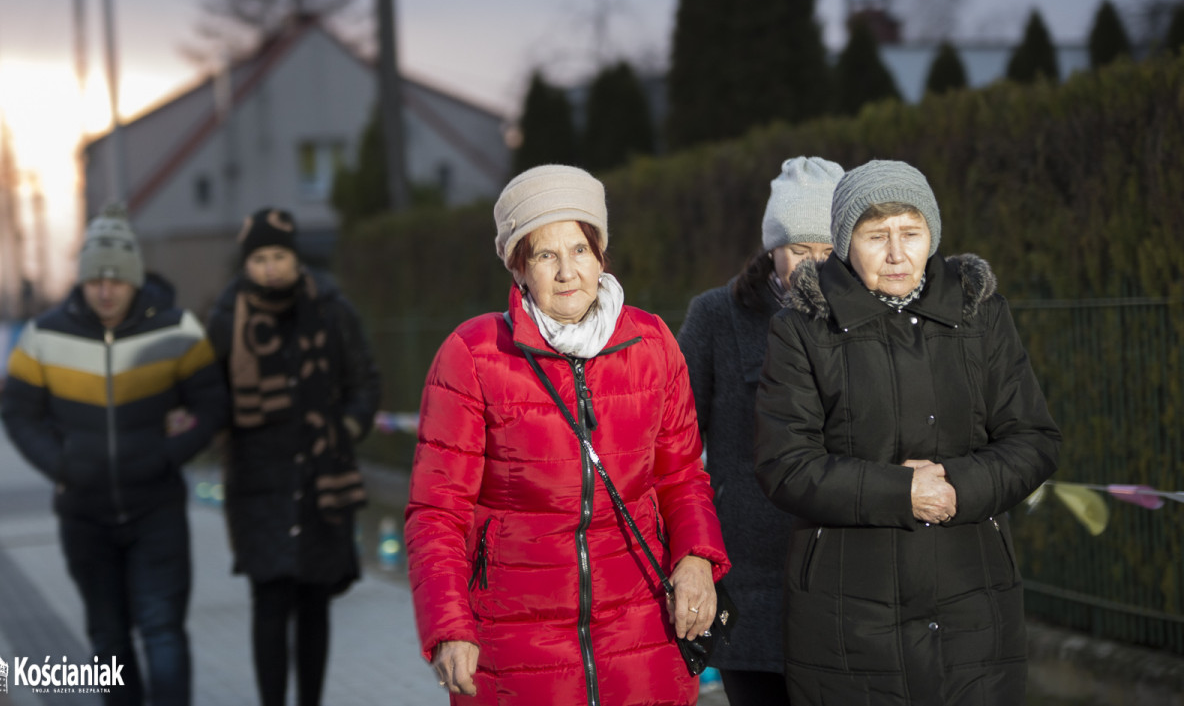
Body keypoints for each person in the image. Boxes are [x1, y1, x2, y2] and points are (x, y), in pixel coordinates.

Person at [405, 164, 731, 706]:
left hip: (643, 631)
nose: (566, 272)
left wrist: (697, 557)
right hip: (515, 644)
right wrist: (449, 625)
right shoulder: (473, 355)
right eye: (544, 255)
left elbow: (682, 476)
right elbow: (437, 511)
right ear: (518, 268)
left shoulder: (652, 343)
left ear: (600, 254)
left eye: (579, 249)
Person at [754, 160, 1062, 705]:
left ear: (931, 235)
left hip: (974, 601)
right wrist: (901, 493)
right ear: (846, 242)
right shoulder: (802, 328)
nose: (898, 254)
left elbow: (1034, 439)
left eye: (911, 233)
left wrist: (956, 486)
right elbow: (786, 465)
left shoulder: (981, 315)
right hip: (847, 610)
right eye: (877, 236)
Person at [1, 203, 227, 706]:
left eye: (117, 280)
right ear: (81, 279)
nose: (105, 290)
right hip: (84, 516)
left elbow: (212, 403)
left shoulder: (178, 330)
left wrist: (170, 454)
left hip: (157, 510)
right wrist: (60, 465)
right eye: (95, 279)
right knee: (108, 642)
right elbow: (19, 413)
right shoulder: (43, 337)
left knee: (163, 630)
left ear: (134, 278)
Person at [677, 156, 844, 705]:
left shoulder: (865, 320)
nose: (812, 267)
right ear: (772, 245)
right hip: (747, 571)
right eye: (798, 249)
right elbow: (672, 440)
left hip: (841, 573)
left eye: (826, 251)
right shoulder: (715, 317)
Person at [205, 208, 380, 706]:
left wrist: (346, 428)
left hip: (321, 476)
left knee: (313, 601)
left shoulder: (330, 308)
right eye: (259, 257)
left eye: (279, 255)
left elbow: (363, 379)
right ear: (246, 263)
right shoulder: (225, 318)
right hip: (256, 482)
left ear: (296, 258)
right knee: (268, 600)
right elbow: (208, 393)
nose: (270, 266)